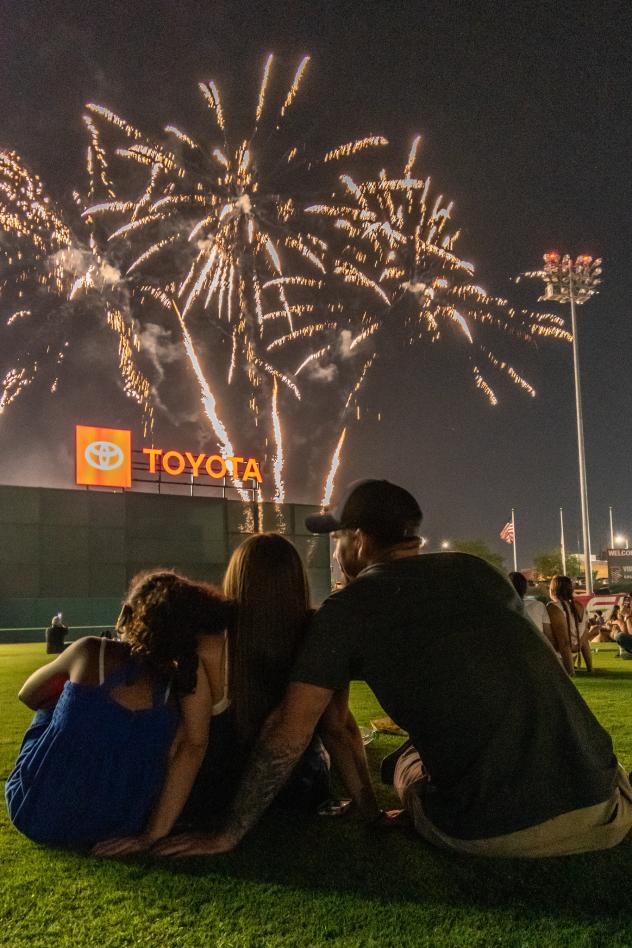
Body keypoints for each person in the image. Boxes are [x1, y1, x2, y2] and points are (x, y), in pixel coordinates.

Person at [157, 480, 632, 859]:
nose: (335, 551)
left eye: (338, 538)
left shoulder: (348, 608)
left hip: (495, 830)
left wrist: (229, 833)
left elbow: (289, 731)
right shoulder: (477, 571)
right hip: (607, 800)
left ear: (359, 541)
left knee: (406, 759)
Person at [95, 534, 331, 857]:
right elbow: (340, 728)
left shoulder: (206, 646)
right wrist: (372, 811)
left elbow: (193, 744)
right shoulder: (318, 635)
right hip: (301, 789)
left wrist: (152, 834)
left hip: (222, 796)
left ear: (235, 579)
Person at [6, 571, 230, 847]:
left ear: (126, 614)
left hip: (37, 812)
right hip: (121, 824)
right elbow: (194, 747)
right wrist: (151, 836)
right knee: (172, 734)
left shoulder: (90, 651)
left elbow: (28, 695)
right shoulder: (185, 678)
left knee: (55, 703)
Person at [546, 575, 593, 675]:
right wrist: (590, 668)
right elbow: (584, 641)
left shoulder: (553, 607)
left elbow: (564, 642)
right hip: (572, 655)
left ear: (553, 589)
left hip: (559, 657)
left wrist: (571, 673)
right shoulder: (580, 607)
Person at [508, 571, 553, 645]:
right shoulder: (538, 606)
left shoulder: (503, 609)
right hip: (537, 648)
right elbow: (548, 634)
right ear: (525, 588)